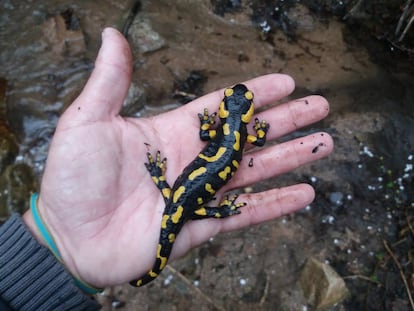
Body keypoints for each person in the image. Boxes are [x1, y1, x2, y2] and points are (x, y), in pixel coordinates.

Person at [0, 27, 333, 310]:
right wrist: (255, 134)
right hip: (185, 193)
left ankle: (190, 204)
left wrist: (204, 129)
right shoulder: (241, 132)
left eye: (238, 99)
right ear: (245, 117)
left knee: (187, 207)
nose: (240, 98)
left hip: (183, 192)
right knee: (190, 209)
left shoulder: (225, 130)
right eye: (239, 98)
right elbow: (253, 140)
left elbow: (206, 133)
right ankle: (197, 212)